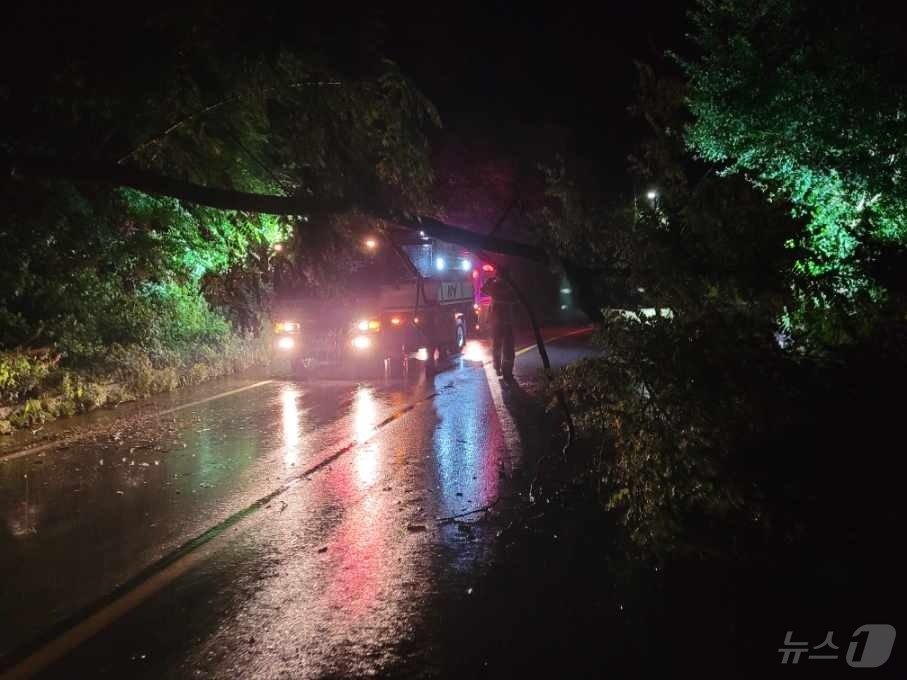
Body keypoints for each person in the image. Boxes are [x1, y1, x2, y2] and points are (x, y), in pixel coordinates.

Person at [480, 273, 517, 380]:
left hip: (498, 322)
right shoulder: (510, 287)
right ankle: (507, 371)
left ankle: (498, 366)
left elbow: (483, 289)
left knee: (498, 345)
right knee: (508, 348)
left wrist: (491, 280)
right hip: (507, 322)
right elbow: (516, 303)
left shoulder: (495, 286)